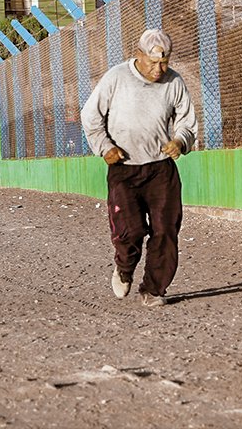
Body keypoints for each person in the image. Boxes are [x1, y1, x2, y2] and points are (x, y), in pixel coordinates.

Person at [80, 28, 197, 306]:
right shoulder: (117, 77)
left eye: (165, 62)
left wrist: (180, 141)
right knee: (130, 231)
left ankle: (153, 289)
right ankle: (124, 268)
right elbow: (90, 116)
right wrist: (105, 147)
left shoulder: (174, 83)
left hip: (161, 169)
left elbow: (186, 120)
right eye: (153, 62)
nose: (159, 69)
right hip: (124, 167)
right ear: (138, 55)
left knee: (165, 231)